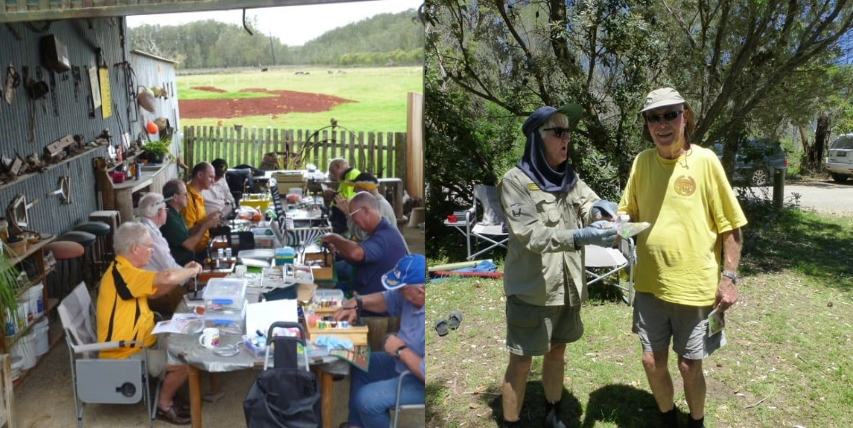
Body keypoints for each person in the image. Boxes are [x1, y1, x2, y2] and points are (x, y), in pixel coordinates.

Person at [618, 87, 747, 428]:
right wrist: (616, 226)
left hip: (695, 289)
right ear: (647, 124)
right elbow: (627, 214)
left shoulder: (705, 161)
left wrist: (729, 277)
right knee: (651, 360)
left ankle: (696, 421)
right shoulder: (642, 162)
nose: (662, 124)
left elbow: (731, 228)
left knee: (690, 366)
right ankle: (667, 418)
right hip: (650, 285)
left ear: (684, 116)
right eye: (653, 117)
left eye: (670, 115)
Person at [498, 104, 618, 428]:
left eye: (569, 133)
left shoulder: (570, 178)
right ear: (538, 138)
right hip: (532, 291)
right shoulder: (514, 182)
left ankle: (553, 413)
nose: (567, 139)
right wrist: (581, 235)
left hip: (567, 288)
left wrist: (600, 212)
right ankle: (510, 422)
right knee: (522, 362)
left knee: (557, 352)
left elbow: (588, 202)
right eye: (559, 133)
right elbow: (532, 235)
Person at [96, 222, 203, 425]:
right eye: (149, 246)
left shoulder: (125, 269)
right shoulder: (124, 274)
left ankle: (170, 393)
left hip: (144, 338)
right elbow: (168, 276)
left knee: (186, 342)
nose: (152, 251)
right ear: (136, 249)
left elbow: (158, 290)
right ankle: (164, 404)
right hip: (124, 352)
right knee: (185, 362)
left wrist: (181, 271)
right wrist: (190, 272)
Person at [333, 254, 425, 428]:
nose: (398, 292)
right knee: (360, 362)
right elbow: (387, 298)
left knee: (367, 401)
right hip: (403, 364)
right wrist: (357, 302)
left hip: (420, 380)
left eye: (401, 289)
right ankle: (356, 426)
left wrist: (401, 351)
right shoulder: (411, 295)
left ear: (420, 291)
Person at [321, 191, 408, 298]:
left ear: (366, 210)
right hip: (364, 297)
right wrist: (339, 249)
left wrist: (334, 238)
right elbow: (356, 259)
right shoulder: (378, 232)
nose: (351, 219)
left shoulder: (384, 237)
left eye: (353, 214)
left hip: (375, 308)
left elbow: (355, 253)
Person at [138, 193, 192, 316]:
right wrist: (188, 276)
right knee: (192, 304)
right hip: (155, 292)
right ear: (159, 212)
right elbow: (169, 266)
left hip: (152, 286)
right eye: (166, 210)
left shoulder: (148, 228)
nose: (166, 213)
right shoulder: (150, 234)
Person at [161, 179, 220, 265]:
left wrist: (206, 221)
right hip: (180, 266)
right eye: (185, 195)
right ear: (175, 197)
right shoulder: (169, 218)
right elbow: (189, 245)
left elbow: (187, 234)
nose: (188, 197)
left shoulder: (176, 212)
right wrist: (206, 225)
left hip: (189, 261)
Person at [335, 172, 398, 241]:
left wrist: (349, 215)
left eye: (357, 187)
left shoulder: (380, 205)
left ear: (366, 190)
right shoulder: (374, 203)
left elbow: (363, 235)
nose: (354, 190)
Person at [184, 162, 222, 257]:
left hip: (205, 247)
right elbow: (188, 233)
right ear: (200, 175)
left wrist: (209, 219)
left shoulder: (199, 194)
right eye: (211, 177)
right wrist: (207, 223)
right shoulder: (188, 198)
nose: (213, 181)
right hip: (195, 254)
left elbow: (198, 223)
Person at [325, 158, 361, 234]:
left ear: (338, 166)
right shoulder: (346, 176)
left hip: (344, 217)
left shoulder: (351, 175)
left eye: (333, 173)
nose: (333, 176)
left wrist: (332, 194)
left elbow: (347, 199)